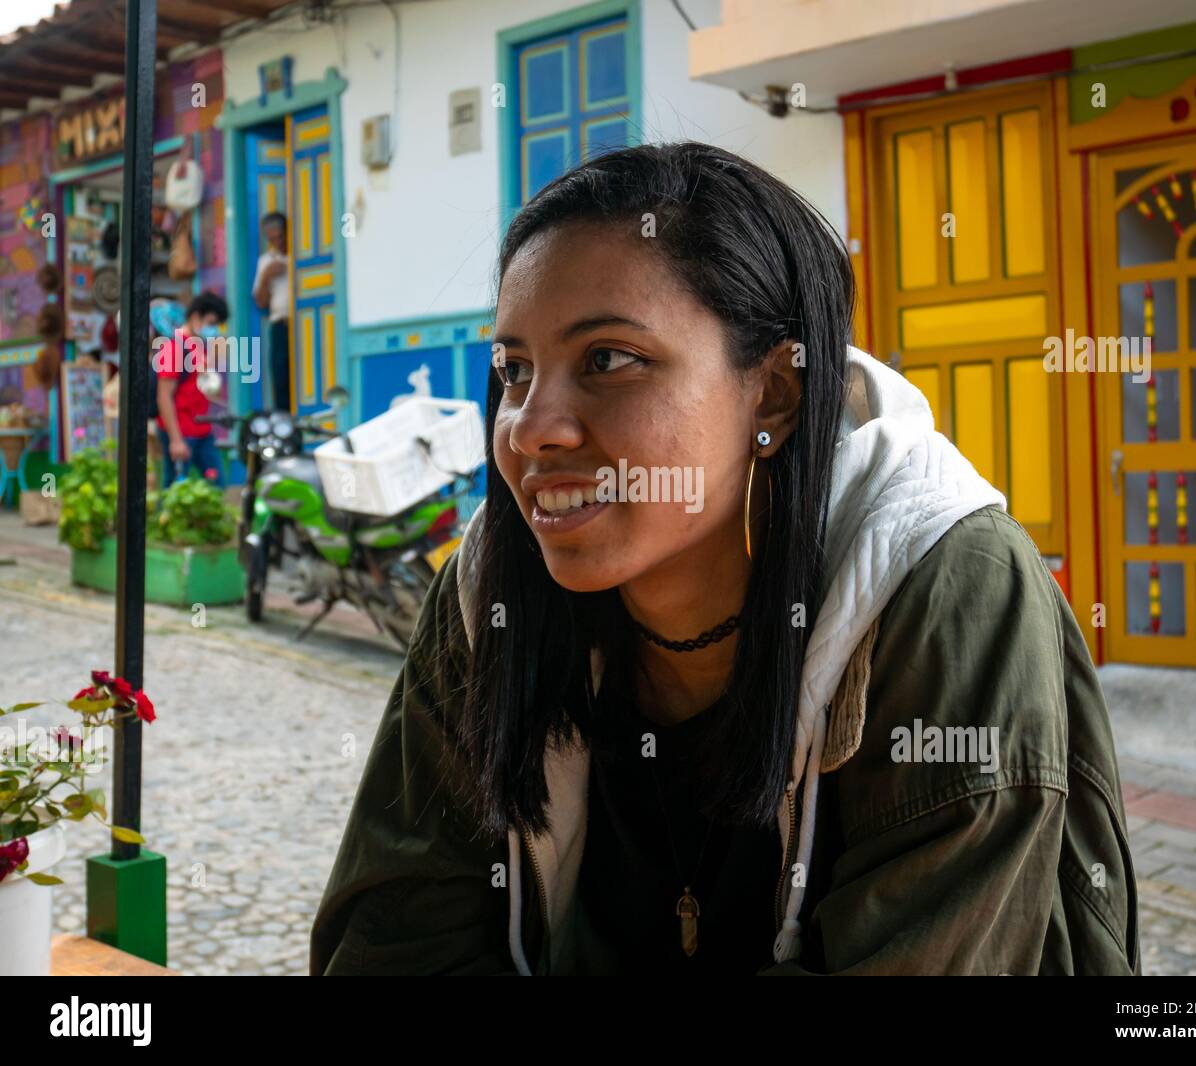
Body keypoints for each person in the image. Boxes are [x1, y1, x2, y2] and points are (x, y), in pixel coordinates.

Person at [310, 143, 1141, 976]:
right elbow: (393, 942)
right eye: (516, 372)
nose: (531, 429)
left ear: (773, 394)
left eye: (608, 359)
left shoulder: (947, 585)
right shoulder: (489, 593)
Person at [155, 290, 228, 488]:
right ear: (196, 316)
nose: (214, 330)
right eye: (212, 323)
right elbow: (164, 396)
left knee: (216, 487)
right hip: (180, 431)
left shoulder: (201, 347)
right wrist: (175, 440)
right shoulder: (174, 347)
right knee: (174, 492)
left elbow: (208, 392)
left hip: (202, 430)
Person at [252, 211, 291, 412]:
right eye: (272, 239)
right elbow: (260, 302)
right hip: (280, 326)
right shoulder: (266, 262)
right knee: (281, 379)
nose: (277, 242)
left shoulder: (301, 255)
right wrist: (267, 275)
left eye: (280, 237)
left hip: (305, 326)